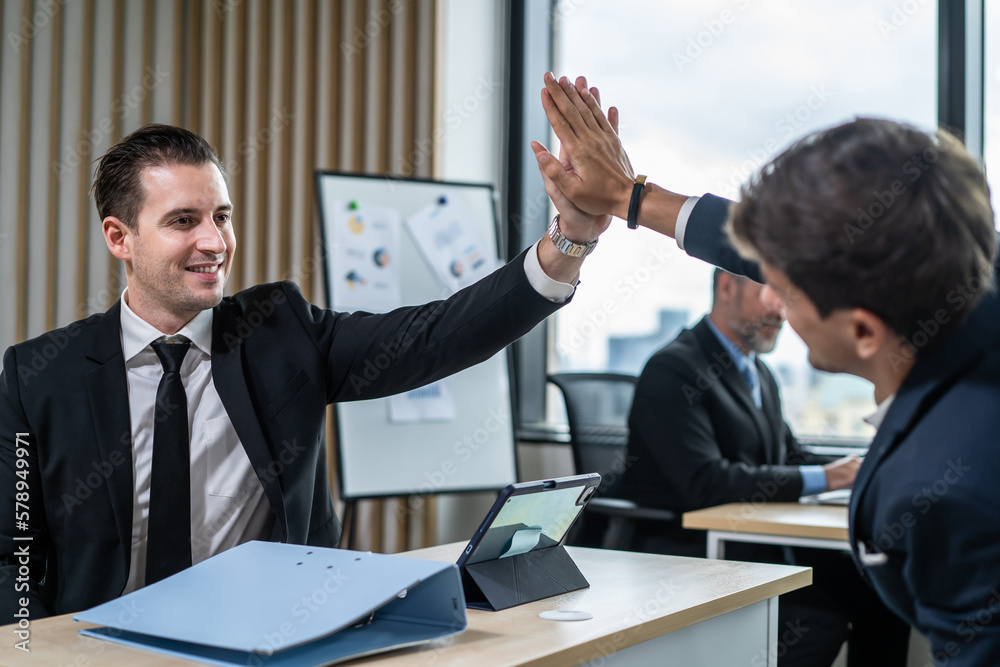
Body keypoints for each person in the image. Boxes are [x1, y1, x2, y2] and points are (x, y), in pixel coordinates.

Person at [0, 123, 610, 619]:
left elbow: (434, 335)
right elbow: (11, 557)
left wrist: (568, 242)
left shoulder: (280, 331)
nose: (215, 241)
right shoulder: (38, 377)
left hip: (267, 640)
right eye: (184, 221)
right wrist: (26, 653)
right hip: (102, 651)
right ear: (119, 237)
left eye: (223, 215)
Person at [532, 73, 1000, 666]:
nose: (775, 296)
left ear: (861, 330)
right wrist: (631, 196)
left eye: (782, 284)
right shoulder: (969, 268)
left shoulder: (944, 498)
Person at [627, 268, 909, 666]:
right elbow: (706, 482)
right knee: (815, 623)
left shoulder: (758, 372)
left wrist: (863, 468)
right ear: (728, 286)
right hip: (689, 555)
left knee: (882, 595)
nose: (782, 307)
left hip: (756, 549)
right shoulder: (673, 370)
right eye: (772, 291)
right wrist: (830, 477)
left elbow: (788, 456)